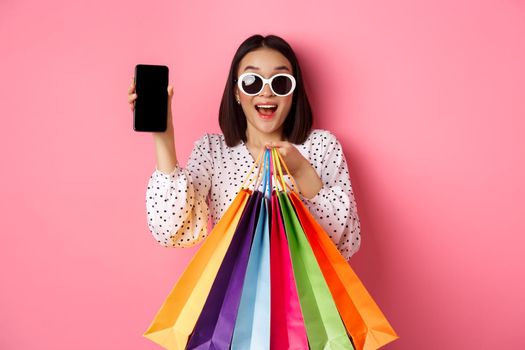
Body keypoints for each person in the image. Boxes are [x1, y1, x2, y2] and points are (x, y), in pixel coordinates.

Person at [127, 34, 361, 260]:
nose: (266, 92)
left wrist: (301, 171)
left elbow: (344, 243)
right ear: (236, 92)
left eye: (280, 82)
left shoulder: (321, 146)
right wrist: (163, 135)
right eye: (252, 82)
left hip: (304, 299)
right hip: (236, 299)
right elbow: (172, 230)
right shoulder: (213, 151)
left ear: (293, 92)